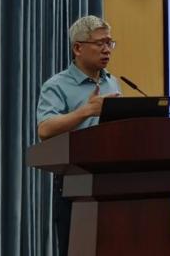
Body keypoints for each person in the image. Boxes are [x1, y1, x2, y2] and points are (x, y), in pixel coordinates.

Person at [36, 15, 122, 255]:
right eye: (100, 43)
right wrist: (86, 111)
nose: (107, 49)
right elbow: (45, 129)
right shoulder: (56, 85)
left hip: (113, 179)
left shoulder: (112, 83)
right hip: (75, 181)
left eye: (110, 43)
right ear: (78, 48)